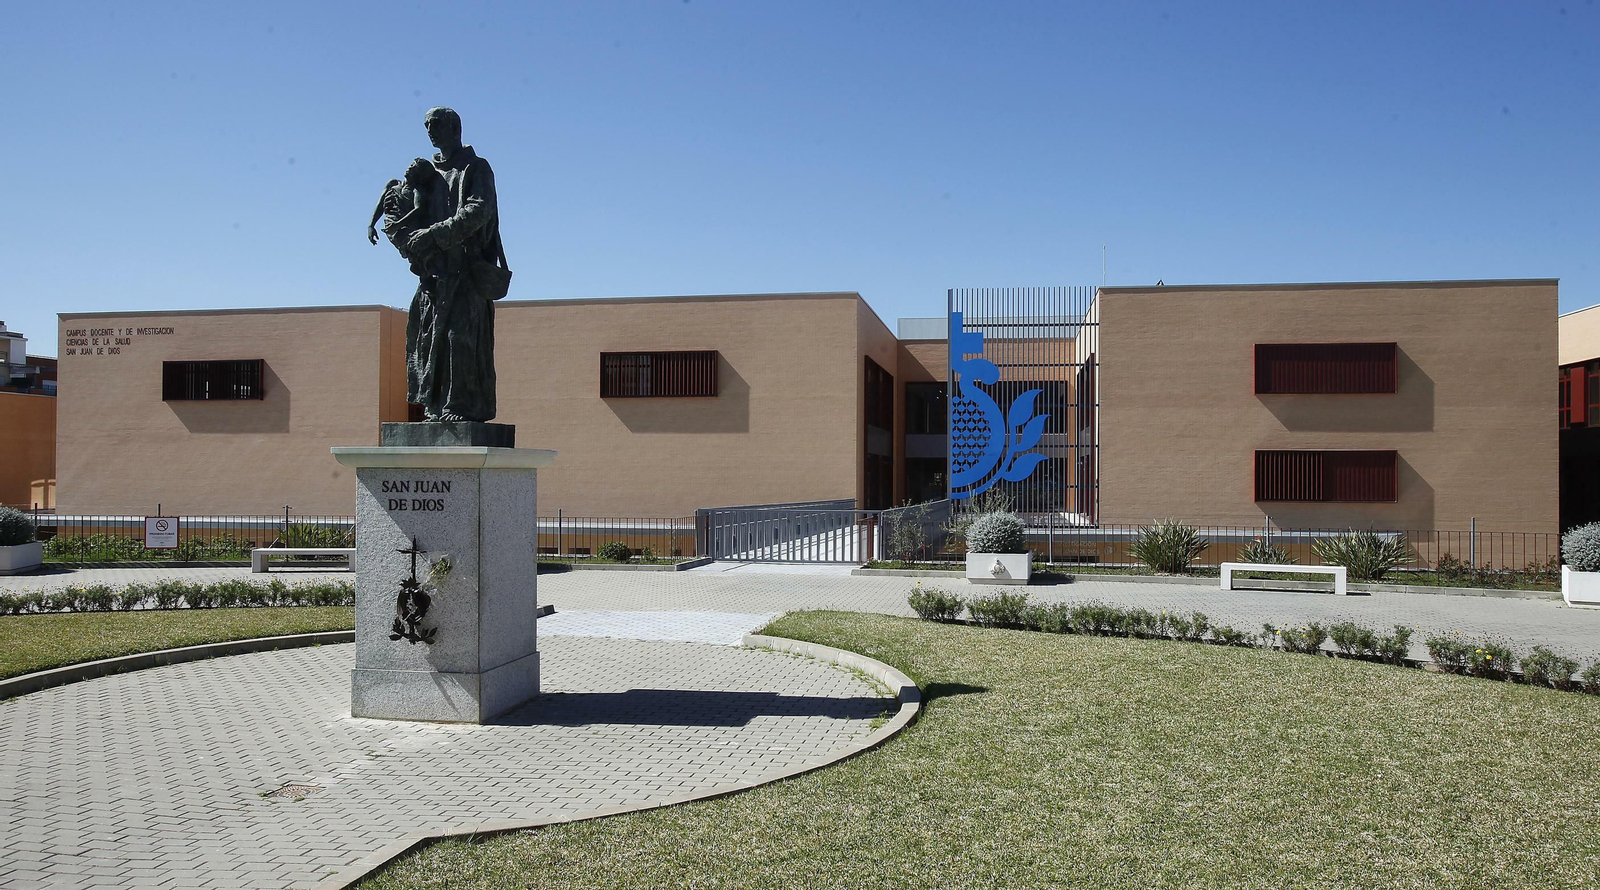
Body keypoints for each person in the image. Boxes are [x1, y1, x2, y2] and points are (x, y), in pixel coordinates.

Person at [369, 107, 511, 423]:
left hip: (466, 272)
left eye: (435, 125)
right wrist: (404, 239)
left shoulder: (475, 168)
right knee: (427, 341)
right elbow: (403, 216)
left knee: (460, 338)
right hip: (433, 276)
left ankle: (462, 407)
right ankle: (436, 407)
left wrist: (432, 235)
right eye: (426, 126)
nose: (430, 131)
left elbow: (478, 211)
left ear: (454, 127)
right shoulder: (427, 173)